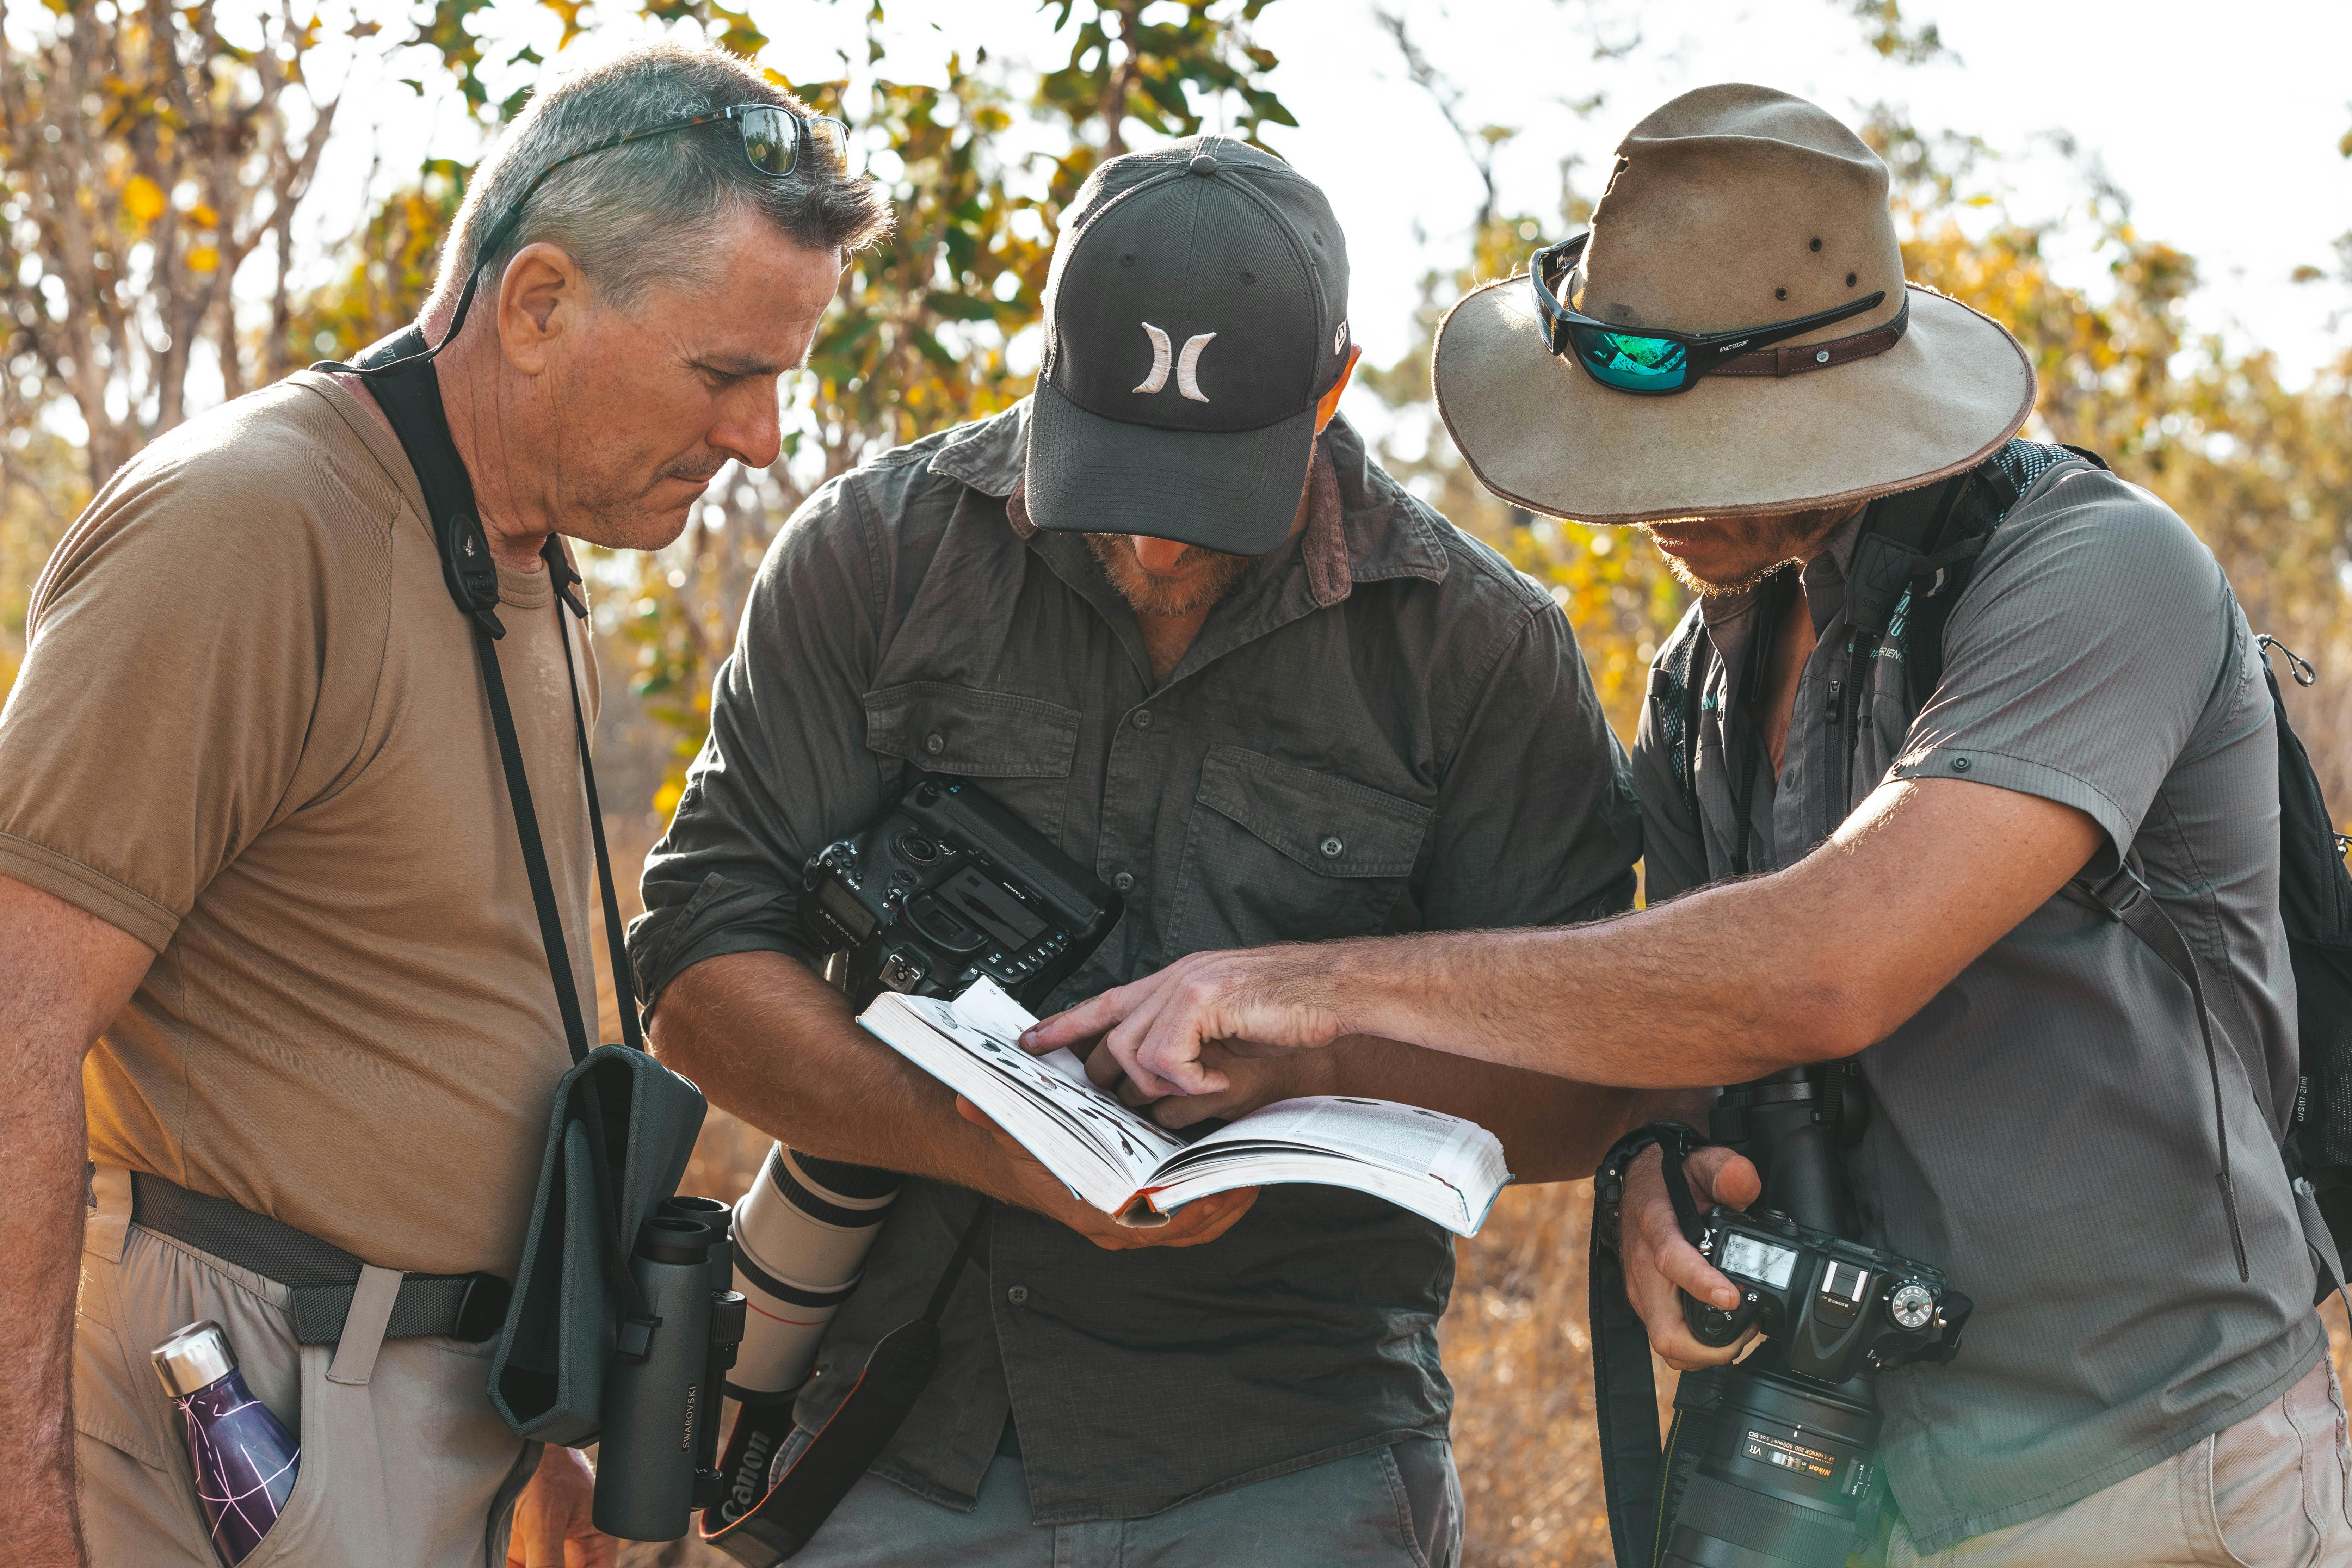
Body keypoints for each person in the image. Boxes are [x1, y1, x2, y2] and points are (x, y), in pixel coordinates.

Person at [1029, 86, 2352, 1567]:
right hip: (1865, 1487)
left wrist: (1306, 983)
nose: (1646, 505)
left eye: (1714, 447)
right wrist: (1656, 1164)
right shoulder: (1702, 674)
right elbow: (1697, 1021)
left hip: (2162, 1479)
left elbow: (1825, 965)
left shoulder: (2098, 576)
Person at [630, 134, 1654, 1567]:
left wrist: (1315, 1048)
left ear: (1334, 388)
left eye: (1213, 496)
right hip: (893, 1431)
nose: (1164, 553)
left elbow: (1588, 1088)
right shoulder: (879, 556)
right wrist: (983, 1144)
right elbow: (694, 962)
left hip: (1288, 1455)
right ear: (1044, 364)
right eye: (1117, 481)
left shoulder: (1476, 652)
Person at [0, 41, 888, 1568]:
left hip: (442, 1409)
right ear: (539, 303)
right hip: (261, 1415)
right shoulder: (250, 525)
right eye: (724, 373)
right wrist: (21, 1499)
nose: (760, 439)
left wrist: (542, 1435)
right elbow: (14, 1019)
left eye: (780, 379)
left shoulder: (520, 554)